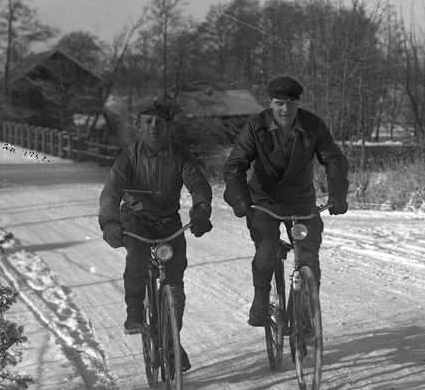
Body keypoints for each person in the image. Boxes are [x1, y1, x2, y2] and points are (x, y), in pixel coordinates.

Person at [223, 76, 350, 327]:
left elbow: (334, 159)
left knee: (309, 259)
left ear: (298, 103)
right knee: (267, 250)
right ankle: (260, 301)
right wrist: (239, 197)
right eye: (280, 103)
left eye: (291, 103)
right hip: (263, 201)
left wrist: (337, 194)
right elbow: (236, 164)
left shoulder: (312, 125)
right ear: (269, 102)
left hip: (301, 202)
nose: (286, 109)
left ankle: (300, 312)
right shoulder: (255, 126)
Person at [99, 99, 213, 370]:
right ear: (139, 126)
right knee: (137, 256)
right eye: (148, 122)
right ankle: (135, 313)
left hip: (168, 221)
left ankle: (172, 340)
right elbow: (112, 191)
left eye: (159, 123)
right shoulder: (129, 156)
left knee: (175, 281)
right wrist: (110, 222)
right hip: (136, 219)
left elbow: (198, 182)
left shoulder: (180, 153)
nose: (154, 127)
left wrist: (201, 210)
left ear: (168, 127)